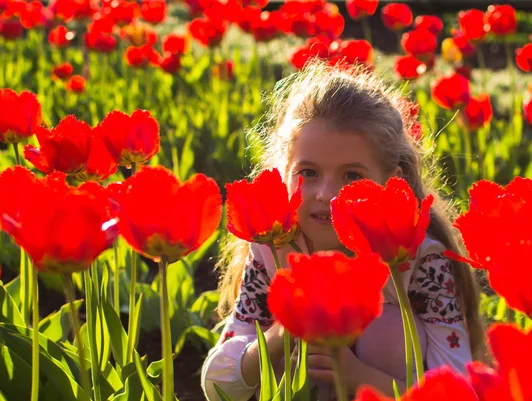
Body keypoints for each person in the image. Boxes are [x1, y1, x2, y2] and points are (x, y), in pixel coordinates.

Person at [201, 61, 487, 401]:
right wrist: (285, 331)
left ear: (392, 182)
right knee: (271, 347)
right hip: (297, 386)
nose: (325, 194)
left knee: (387, 331)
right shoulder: (273, 244)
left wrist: (358, 377)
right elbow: (217, 387)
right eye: (308, 172)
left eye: (352, 176)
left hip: (385, 387)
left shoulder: (420, 257)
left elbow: (458, 391)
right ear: (284, 171)